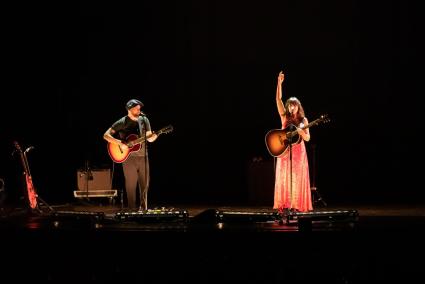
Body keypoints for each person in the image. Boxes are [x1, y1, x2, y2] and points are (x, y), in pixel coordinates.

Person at [103, 99, 158, 211]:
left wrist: (154, 136)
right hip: (128, 158)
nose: (139, 109)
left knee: (145, 184)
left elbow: (149, 137)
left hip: (143, 156)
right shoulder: (122, 122)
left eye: (140, 108)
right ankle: (132, 209)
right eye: (137, 107)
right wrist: (120, 143)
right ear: (130, 108)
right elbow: (106, 135)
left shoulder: (144, 120)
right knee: (131, 185)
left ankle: (143, 209)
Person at [273, 71, 313, 213]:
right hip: (285, 151)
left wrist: (302, 131)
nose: (291, 108)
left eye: (294, 105)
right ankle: (285, 205)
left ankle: (296, 205)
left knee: (296, 178)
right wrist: (279, 83)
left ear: (298, 107)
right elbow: (278, 99)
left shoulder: (304, 120)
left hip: (299, 153)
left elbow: (308, 138)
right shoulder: (284, 117)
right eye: (290, 105)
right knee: (285, 177)